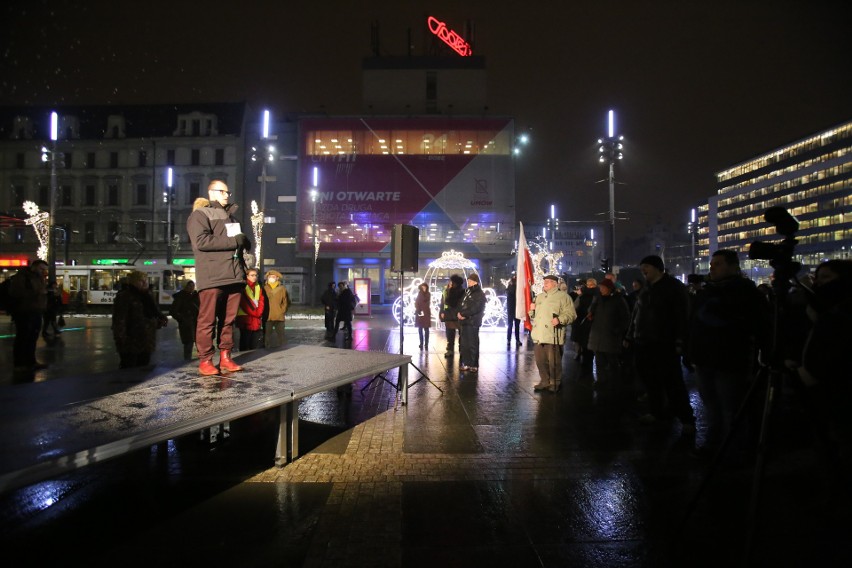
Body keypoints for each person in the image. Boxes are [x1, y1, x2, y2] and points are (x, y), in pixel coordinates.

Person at [688, 250, 769, 457]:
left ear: (733, 266)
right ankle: (713, 445)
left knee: (732, 408)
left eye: (718, 264)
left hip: (730, 360)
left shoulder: (747, 293)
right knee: (712, 408)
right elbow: (694, 323)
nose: (712, 267)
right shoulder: (706, 293)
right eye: (712, 264)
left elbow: (761, 327)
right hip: (704, 359)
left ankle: (735, 450)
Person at [624, 255, 696, 433]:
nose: (643, 270)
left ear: (658, 268)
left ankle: (686, 418)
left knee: (673, 381)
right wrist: (630, 335)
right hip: (644, 341)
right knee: (650, 380)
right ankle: (656, 412)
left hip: (664, 342)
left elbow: (682, 315)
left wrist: (680, 341)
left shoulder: (673, 287)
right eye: (642, 268)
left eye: (646, 266)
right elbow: (636, 314)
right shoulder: (646, 289)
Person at [187, 179, 251, 375]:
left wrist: (245, 248)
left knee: (228, 321)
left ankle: (225, 357)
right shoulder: (199, 214)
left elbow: (237, 245)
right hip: (213, 276)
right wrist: (234, 241)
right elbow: (201, 241)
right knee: (207, 320)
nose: (227, 195)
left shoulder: (231, 218)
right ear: (212, 193)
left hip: (234, 276)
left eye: (227, 192)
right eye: (223, 192)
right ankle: (206, 360)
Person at [529, 275, 577, 393]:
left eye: (548, 282)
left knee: (554, 361)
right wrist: (532, 310)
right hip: (539, 335)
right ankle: (544, 380)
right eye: (544, 281)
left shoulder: (563, 297)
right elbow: (534, 316)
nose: (545, 283)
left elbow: (571, 314)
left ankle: (555, 382)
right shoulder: (539, 297)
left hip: (553, 335)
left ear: (555, 284)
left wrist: (560, 320)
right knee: (540, 361)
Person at [112, 270, 168, 369]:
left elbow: (153, 313)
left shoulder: (148, 295)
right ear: (133, 282)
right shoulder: (125, 296)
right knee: (130, 369)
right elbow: (120, 320)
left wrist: (160, 320)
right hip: (131, 342)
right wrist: (122, 340)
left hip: (147, 341)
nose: (145, 283)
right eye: (141, 281)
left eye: (146, 280)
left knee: (144, 368)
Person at [587, 278, 631, 391]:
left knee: (612, 361)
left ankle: (614, 381)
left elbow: (626, 318)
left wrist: (617, 330)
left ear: (609, 288)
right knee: (599, 361)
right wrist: (590, 315)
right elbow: (591, 311)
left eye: (603, 287)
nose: (601, 289)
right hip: (597, 336)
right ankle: (601, 380)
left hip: (611, 336)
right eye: (600, 287)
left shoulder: (618, 300)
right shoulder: (598, 299)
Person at [8, 260, 49, 371]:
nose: (43, 271)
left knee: (32, 338)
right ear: (34, 267)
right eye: (41, 269)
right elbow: (16, 293)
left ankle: (31, 362)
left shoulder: (39, 278)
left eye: (45, 269)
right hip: (24, 311)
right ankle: (20, 364)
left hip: (36, 310)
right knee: (23, 337)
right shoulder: (22, 277)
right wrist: (39, 292)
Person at [457, 273, 485, 372]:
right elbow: (461, 304)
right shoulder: (467, 292)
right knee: (464, 344)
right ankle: (466, 363)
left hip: (472, 322)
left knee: (472, 344)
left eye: (470, 280)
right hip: (464, 322)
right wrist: (459, 313)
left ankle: (473, 364)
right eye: (468, 280)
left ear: (475, 281)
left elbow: (476, 308)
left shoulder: (479, 294)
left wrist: (464, 314)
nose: (468, 282)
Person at [236, 268, 266, 351]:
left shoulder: (258, 286)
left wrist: (259, 312)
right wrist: (257, 313)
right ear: (247, 276)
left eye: (256, 275)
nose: (254, 277)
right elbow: (245, 303)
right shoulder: (243, 287)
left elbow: (261, 300)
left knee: (254, 344)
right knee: (245, 342)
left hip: (255, 317)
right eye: (252, 275)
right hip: (245, 318)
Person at [571, 277, 598, 372]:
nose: (590, 287)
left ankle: (585, 363)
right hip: (585, 322)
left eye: (592, 285)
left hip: (585, 321)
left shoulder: (583, 295)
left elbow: (575, 308)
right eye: (589, 285)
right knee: (585, 343)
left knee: (585, 343)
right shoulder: (596, 295)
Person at [170, 280, 200, 360]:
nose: (191, 287)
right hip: (186, 325)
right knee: (188, 344)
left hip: (197, 323)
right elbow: (173, 311)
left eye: (192, 285)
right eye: (189, 286)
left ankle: (203, 361)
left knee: (200, 343)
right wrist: (183, 319)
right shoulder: (180, 297)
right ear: (185, 286)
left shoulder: (196, 295)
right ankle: (187, 361)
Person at [439, 274, 464, 358]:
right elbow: (443, 303)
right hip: (449, 315)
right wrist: (442, 311)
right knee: (449, 334)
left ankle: (461, 349)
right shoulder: (447, 291)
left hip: (458, 315)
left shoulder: (462, 292)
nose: (450, 283)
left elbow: (462, 304)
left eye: (451, 281)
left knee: (461, 334)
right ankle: (450, 350)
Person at [263, 269, 289, 348]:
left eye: (273, 277)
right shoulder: (264, 288)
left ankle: (283, 349)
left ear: (277, 278)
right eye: (270, 277)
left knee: (281, 335)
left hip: (279, 316)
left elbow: (286, 301)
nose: (271, 278)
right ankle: (266, 349)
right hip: (267, 316)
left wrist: (282, 311)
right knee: (267, 335)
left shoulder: (282, 289)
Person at [505, 275, 523, 348]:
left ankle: (510, 340)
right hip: (514, 309)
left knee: (512, 325)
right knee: (515, 326)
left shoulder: (509, 288)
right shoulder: (513, 289)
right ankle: (515, 340)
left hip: (512, 309)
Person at [414, 282, 432, 350]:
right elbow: (417, 302)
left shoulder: (428, 294)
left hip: (426, 313)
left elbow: (426, 302)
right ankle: (421, 343)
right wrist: (418, 310)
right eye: (422, 287)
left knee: (426, 329)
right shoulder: (419, 294)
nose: (424, 288)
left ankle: (426, 344)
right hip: (420, 313)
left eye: (425, 287)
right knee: (420, 329)